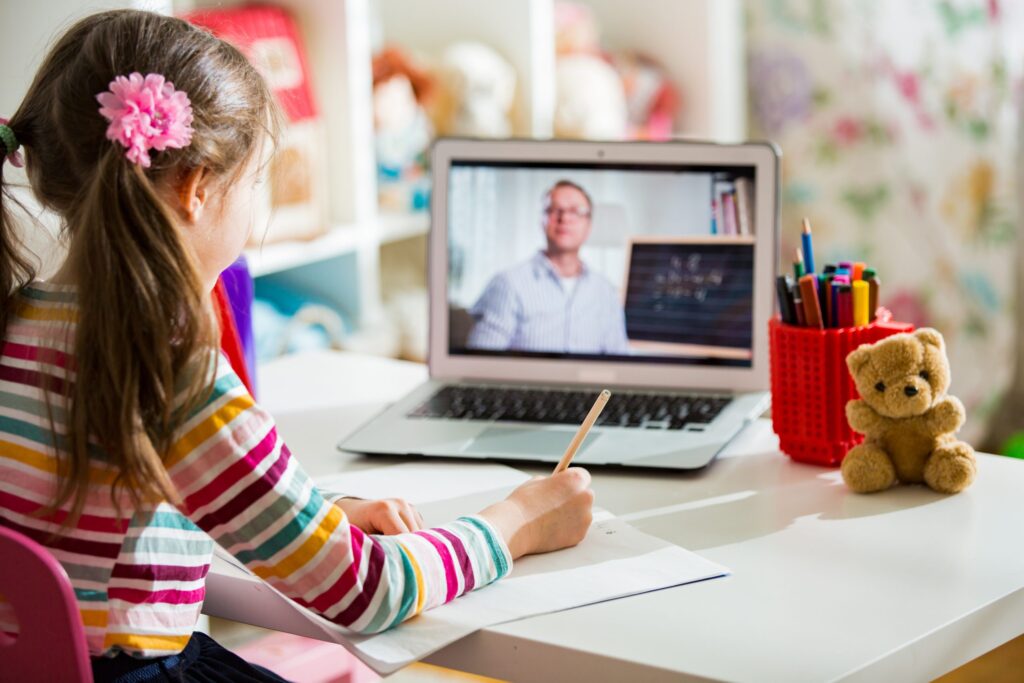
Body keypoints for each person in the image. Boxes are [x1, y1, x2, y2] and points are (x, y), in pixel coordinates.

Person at [0, 11, 594, 682]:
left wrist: (319, 512)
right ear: (198, 188)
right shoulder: (168, 368)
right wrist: (517, 520)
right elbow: (368, 590)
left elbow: (133, 501)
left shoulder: (16, 321)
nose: (261, 204)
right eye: (259, 179)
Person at [467, 180, 629, 354]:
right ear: (542, 220)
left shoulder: (606, 291)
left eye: (575, 211)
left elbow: (618, 362)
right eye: (555, 210)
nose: (564, 218)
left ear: (589, 225)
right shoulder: (508, 284)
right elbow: (480, 362)